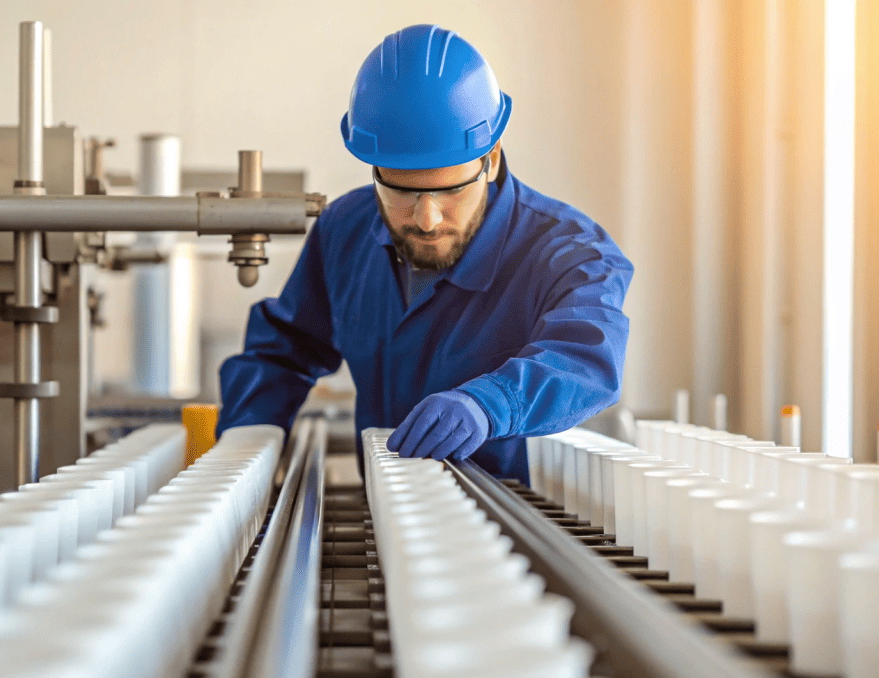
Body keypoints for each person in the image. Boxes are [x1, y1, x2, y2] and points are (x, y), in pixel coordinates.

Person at [217, 24, 632, 483]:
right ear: (373, 168)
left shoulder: (568, 252)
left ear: (491, 158)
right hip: (386, 516)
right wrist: (248, 435)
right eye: (401, 191)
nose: (427, 219)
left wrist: (489, 403)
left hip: (514, 526)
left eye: (450, 190)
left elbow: (585, 358)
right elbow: (283, 351)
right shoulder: (344, 229)